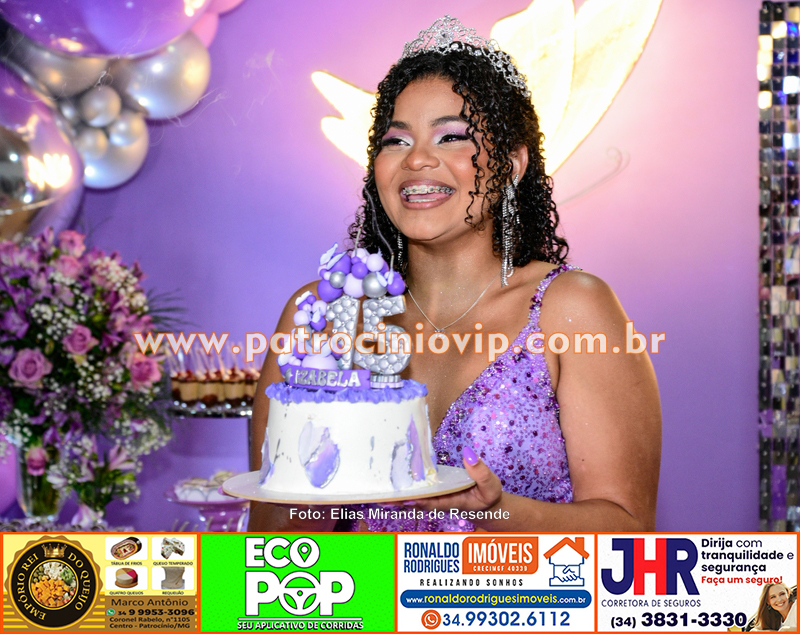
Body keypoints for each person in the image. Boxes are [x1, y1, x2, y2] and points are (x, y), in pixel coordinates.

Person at [248, 16, 661, 532]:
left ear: (512, 165)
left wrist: (495, 510)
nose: (418, 159)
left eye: (450, 137)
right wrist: (322, 460)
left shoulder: (571, 308)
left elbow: (628, 530)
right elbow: (269, 542)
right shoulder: (324, 316)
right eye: (396, 141)